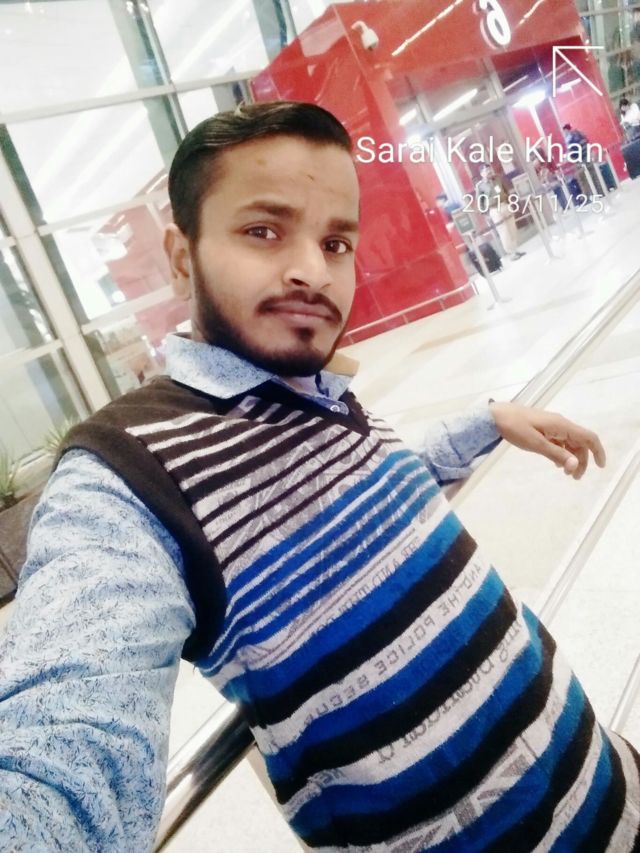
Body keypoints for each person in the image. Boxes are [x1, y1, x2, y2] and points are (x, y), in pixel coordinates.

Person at [0, 102, 637, 851]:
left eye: (336, 242)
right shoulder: (127, 479)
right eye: (263, 231)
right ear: (181, 256)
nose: (312, 270)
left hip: (612, 781)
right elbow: (65, 756)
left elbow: (359, 506)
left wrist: (486, 419)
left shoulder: (315, 388)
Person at [475, 163, 526, 261]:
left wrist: (509, 202)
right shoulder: (480, 186)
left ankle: (515, 249)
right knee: (503, 231)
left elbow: (506, 190)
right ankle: (511, 253)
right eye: (486, 170)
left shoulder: (498, 178)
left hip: (504, 205)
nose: (489, 172)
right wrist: (485, 213)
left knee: (512, 228)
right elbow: (480, 201)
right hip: (494, 209)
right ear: (481, 174)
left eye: (489, 169)